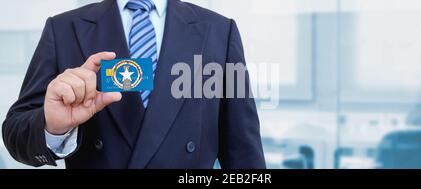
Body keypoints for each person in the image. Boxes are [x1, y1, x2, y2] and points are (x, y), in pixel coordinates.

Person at [2, 0, 265, 169]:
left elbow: (244, 154)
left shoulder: (220, 30)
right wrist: (53, 127)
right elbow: (16, 134)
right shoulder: (63, 29)